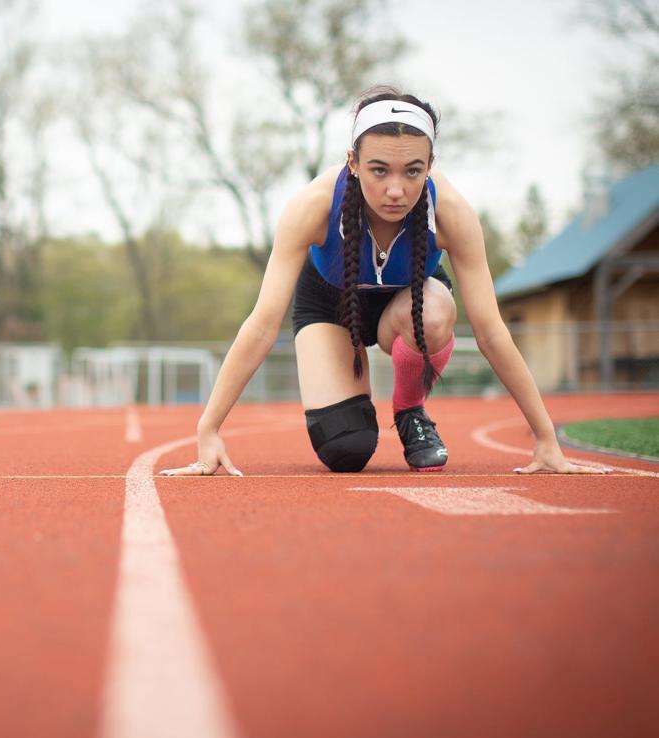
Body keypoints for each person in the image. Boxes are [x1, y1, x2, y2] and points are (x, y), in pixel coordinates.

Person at [161, 85, 604, 477]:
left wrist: (546, 437)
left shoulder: (450, 212)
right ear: (352, 162)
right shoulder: (313, 206)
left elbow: (490, 331)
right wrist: (209, 427)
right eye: (379, 170)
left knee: (434, 311)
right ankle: (354, 415)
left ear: (430, 164)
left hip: (410, 305)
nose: (396, 190)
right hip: (331, 305)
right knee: (346, 449)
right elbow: (261, 324)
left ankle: (410, 409)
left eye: (413, 171)